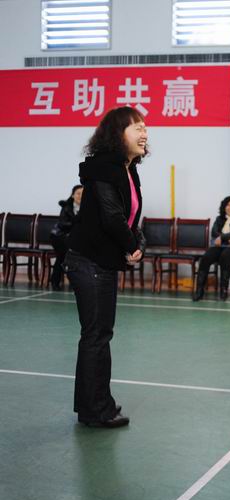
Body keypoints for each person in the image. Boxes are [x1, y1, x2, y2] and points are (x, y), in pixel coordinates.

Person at [63, 107, 147, 428]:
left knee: (99, 335)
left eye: (145, 128)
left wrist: (136, 243)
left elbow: (128, 218)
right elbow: (111, 216)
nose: (144, 133)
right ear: (117, 134)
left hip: (101, 262)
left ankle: (96, 404)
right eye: (137, 128)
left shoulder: (128, 169)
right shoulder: (102, 168)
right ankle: (94, 410)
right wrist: (132, 247)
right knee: (96, 336)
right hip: (89, 262)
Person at [192, 196, 230, 302]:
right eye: (228, 205)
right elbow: (214, 232)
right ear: (224, 207)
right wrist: (227, 239)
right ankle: (199, 291)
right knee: (206, 257)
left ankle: (223, 292)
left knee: (225, 256)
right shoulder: (219, 219)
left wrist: (222, 238)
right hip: (219, 246)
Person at [48, 184, 83, 289]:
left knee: (75, 257)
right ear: (73, 195)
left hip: (73, 238)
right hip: (59, 237)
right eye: (78, 193)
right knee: (63, 257)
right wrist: (76, 222)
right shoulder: (66, 207)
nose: (80, 196)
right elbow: (62, 224)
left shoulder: (87, 208)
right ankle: (56, 282)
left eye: (83, 194)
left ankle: (73, 282)